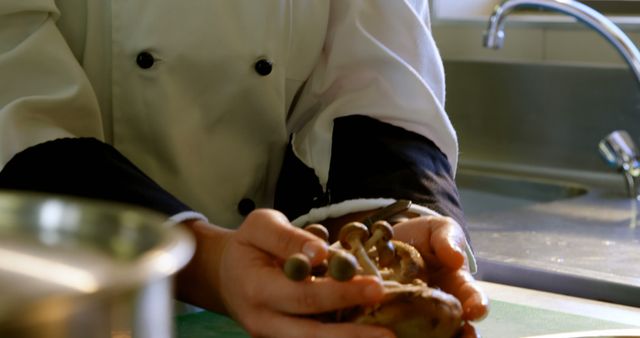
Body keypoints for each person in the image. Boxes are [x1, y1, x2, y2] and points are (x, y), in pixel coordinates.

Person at [0, 1, 488, 337]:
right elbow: (21, 115)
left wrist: (394, 231)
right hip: (56, 300)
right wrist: (210, 263)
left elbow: (380, 81)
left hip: (285, 303)